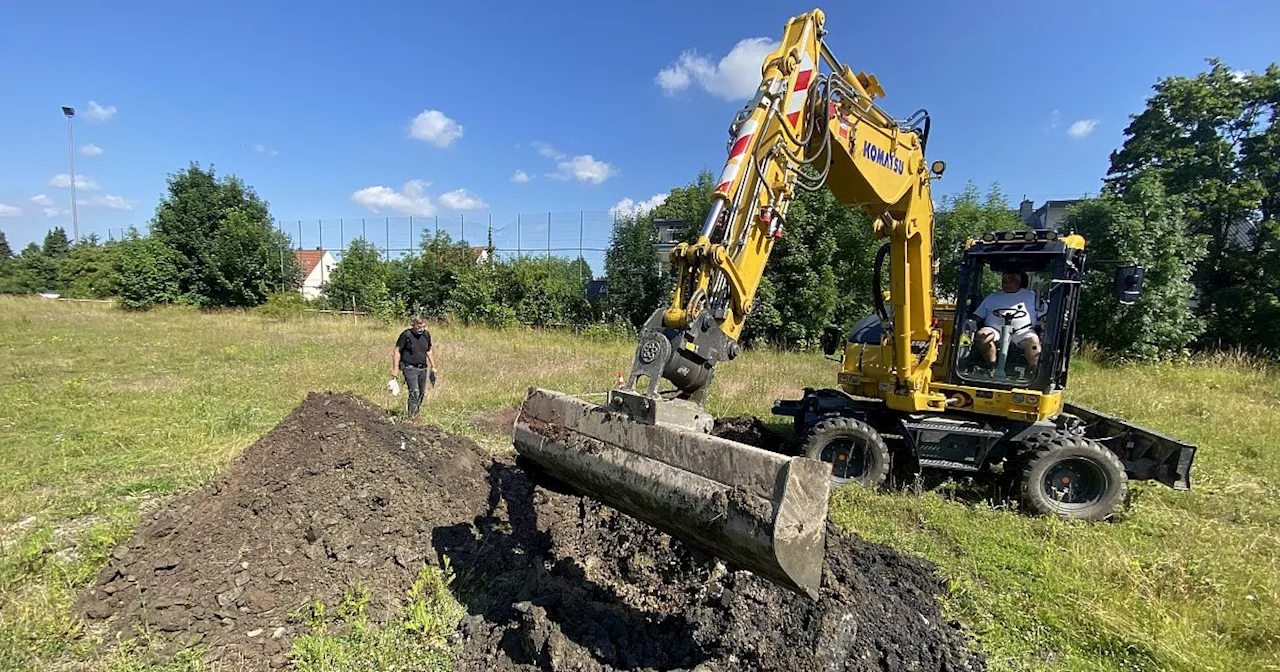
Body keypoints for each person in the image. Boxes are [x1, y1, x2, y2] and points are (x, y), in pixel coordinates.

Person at [973, 271, 1041, 369]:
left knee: (1033, 341)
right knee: (983, 335)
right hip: (995, 330)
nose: (1006, 282)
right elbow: (977, 316)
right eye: (1004, 280)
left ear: (1020, 281)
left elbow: (1044, 315)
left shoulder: (1033, 296)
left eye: (1011, 279)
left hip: (1022, 332)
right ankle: (992, 366)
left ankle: (1034, 370)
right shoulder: (993, 297)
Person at [391, 316, 437, 418]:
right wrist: (395, 369)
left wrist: (433, 366)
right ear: (413, 325)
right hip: (409, 367)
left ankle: (416, 413)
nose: (421, 329)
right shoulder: (406, 335)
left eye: (423, 327)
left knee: (421, 393)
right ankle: (412, 416)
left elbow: (429, 350)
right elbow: (397, 351)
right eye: (418, 327)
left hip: (423, 368)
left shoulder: (426, 335)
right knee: (414, 392)